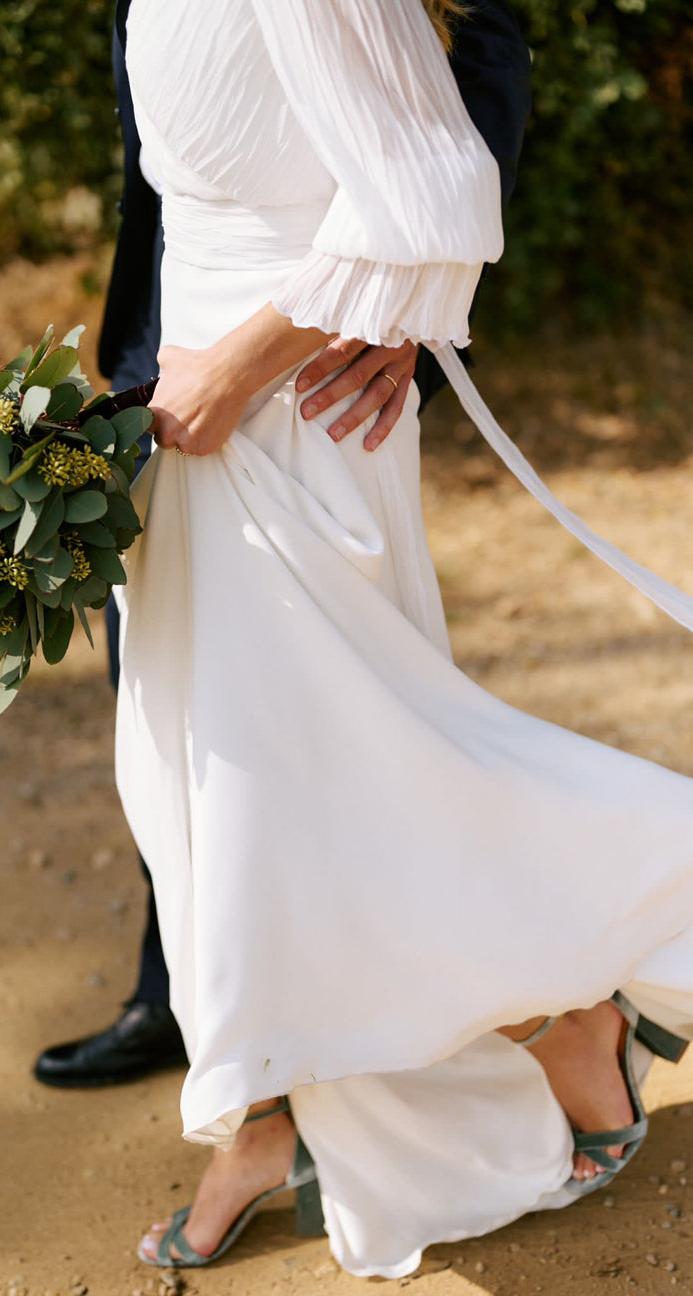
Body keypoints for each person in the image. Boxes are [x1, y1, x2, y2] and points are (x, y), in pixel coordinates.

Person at [111, 0, 693, 1277]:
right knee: (191, 784)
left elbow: (428, 194)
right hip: (184, 407)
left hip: (278, 415)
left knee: (337, 777)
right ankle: (265, 1119)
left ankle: (577, 998)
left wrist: (245, 368)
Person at [33, 0, 533, 1092]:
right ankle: (211, 1011)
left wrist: (403, 299)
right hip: (169, 344)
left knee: (324, 741)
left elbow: (479, 56)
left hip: (304, 364)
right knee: (180, 726)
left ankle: (550, 1002)